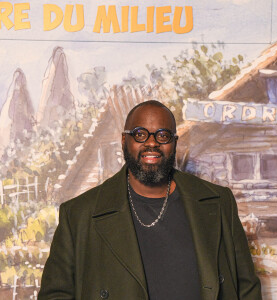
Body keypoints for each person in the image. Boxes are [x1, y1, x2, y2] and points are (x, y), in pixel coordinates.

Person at [38, 100, 262, 300]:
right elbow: (55, 294)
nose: (152, 143)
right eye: (140, 134)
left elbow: (247, 288)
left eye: (163, 135)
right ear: (125, 140)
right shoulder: (79, 214)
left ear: (174, 142)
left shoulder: (218, 202)